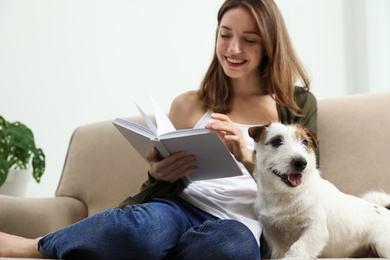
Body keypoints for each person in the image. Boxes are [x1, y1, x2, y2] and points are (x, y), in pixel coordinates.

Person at [0, 0, 318, 259]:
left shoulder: (295, 105)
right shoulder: (189, 104)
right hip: (178, 208)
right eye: (225, 35)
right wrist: (157, 173)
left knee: (230, 248)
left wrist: (249, 157)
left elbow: (307, 186)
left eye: (249, 40)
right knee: (140, 231)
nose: (233, 49)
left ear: (269, 45)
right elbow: (156, 186)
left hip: (239, 224)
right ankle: (33, 246)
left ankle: (152, 253)